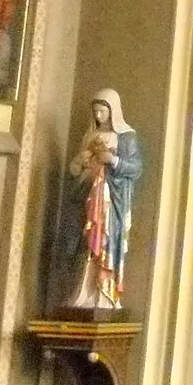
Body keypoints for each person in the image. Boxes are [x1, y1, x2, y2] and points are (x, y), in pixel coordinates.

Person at [55, 89, 146, 313]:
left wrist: (113, 160)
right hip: (88, 199)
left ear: (113, 111)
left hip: (110, 202)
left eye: (102, 111)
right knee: (85, 242)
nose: (98, 115)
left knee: (104, 243)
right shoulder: (89, 135)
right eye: (95, 111)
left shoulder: (126, 137)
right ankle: (82, 292)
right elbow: (75, 172)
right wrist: (80, 161)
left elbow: (135, 168)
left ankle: (104, 294)